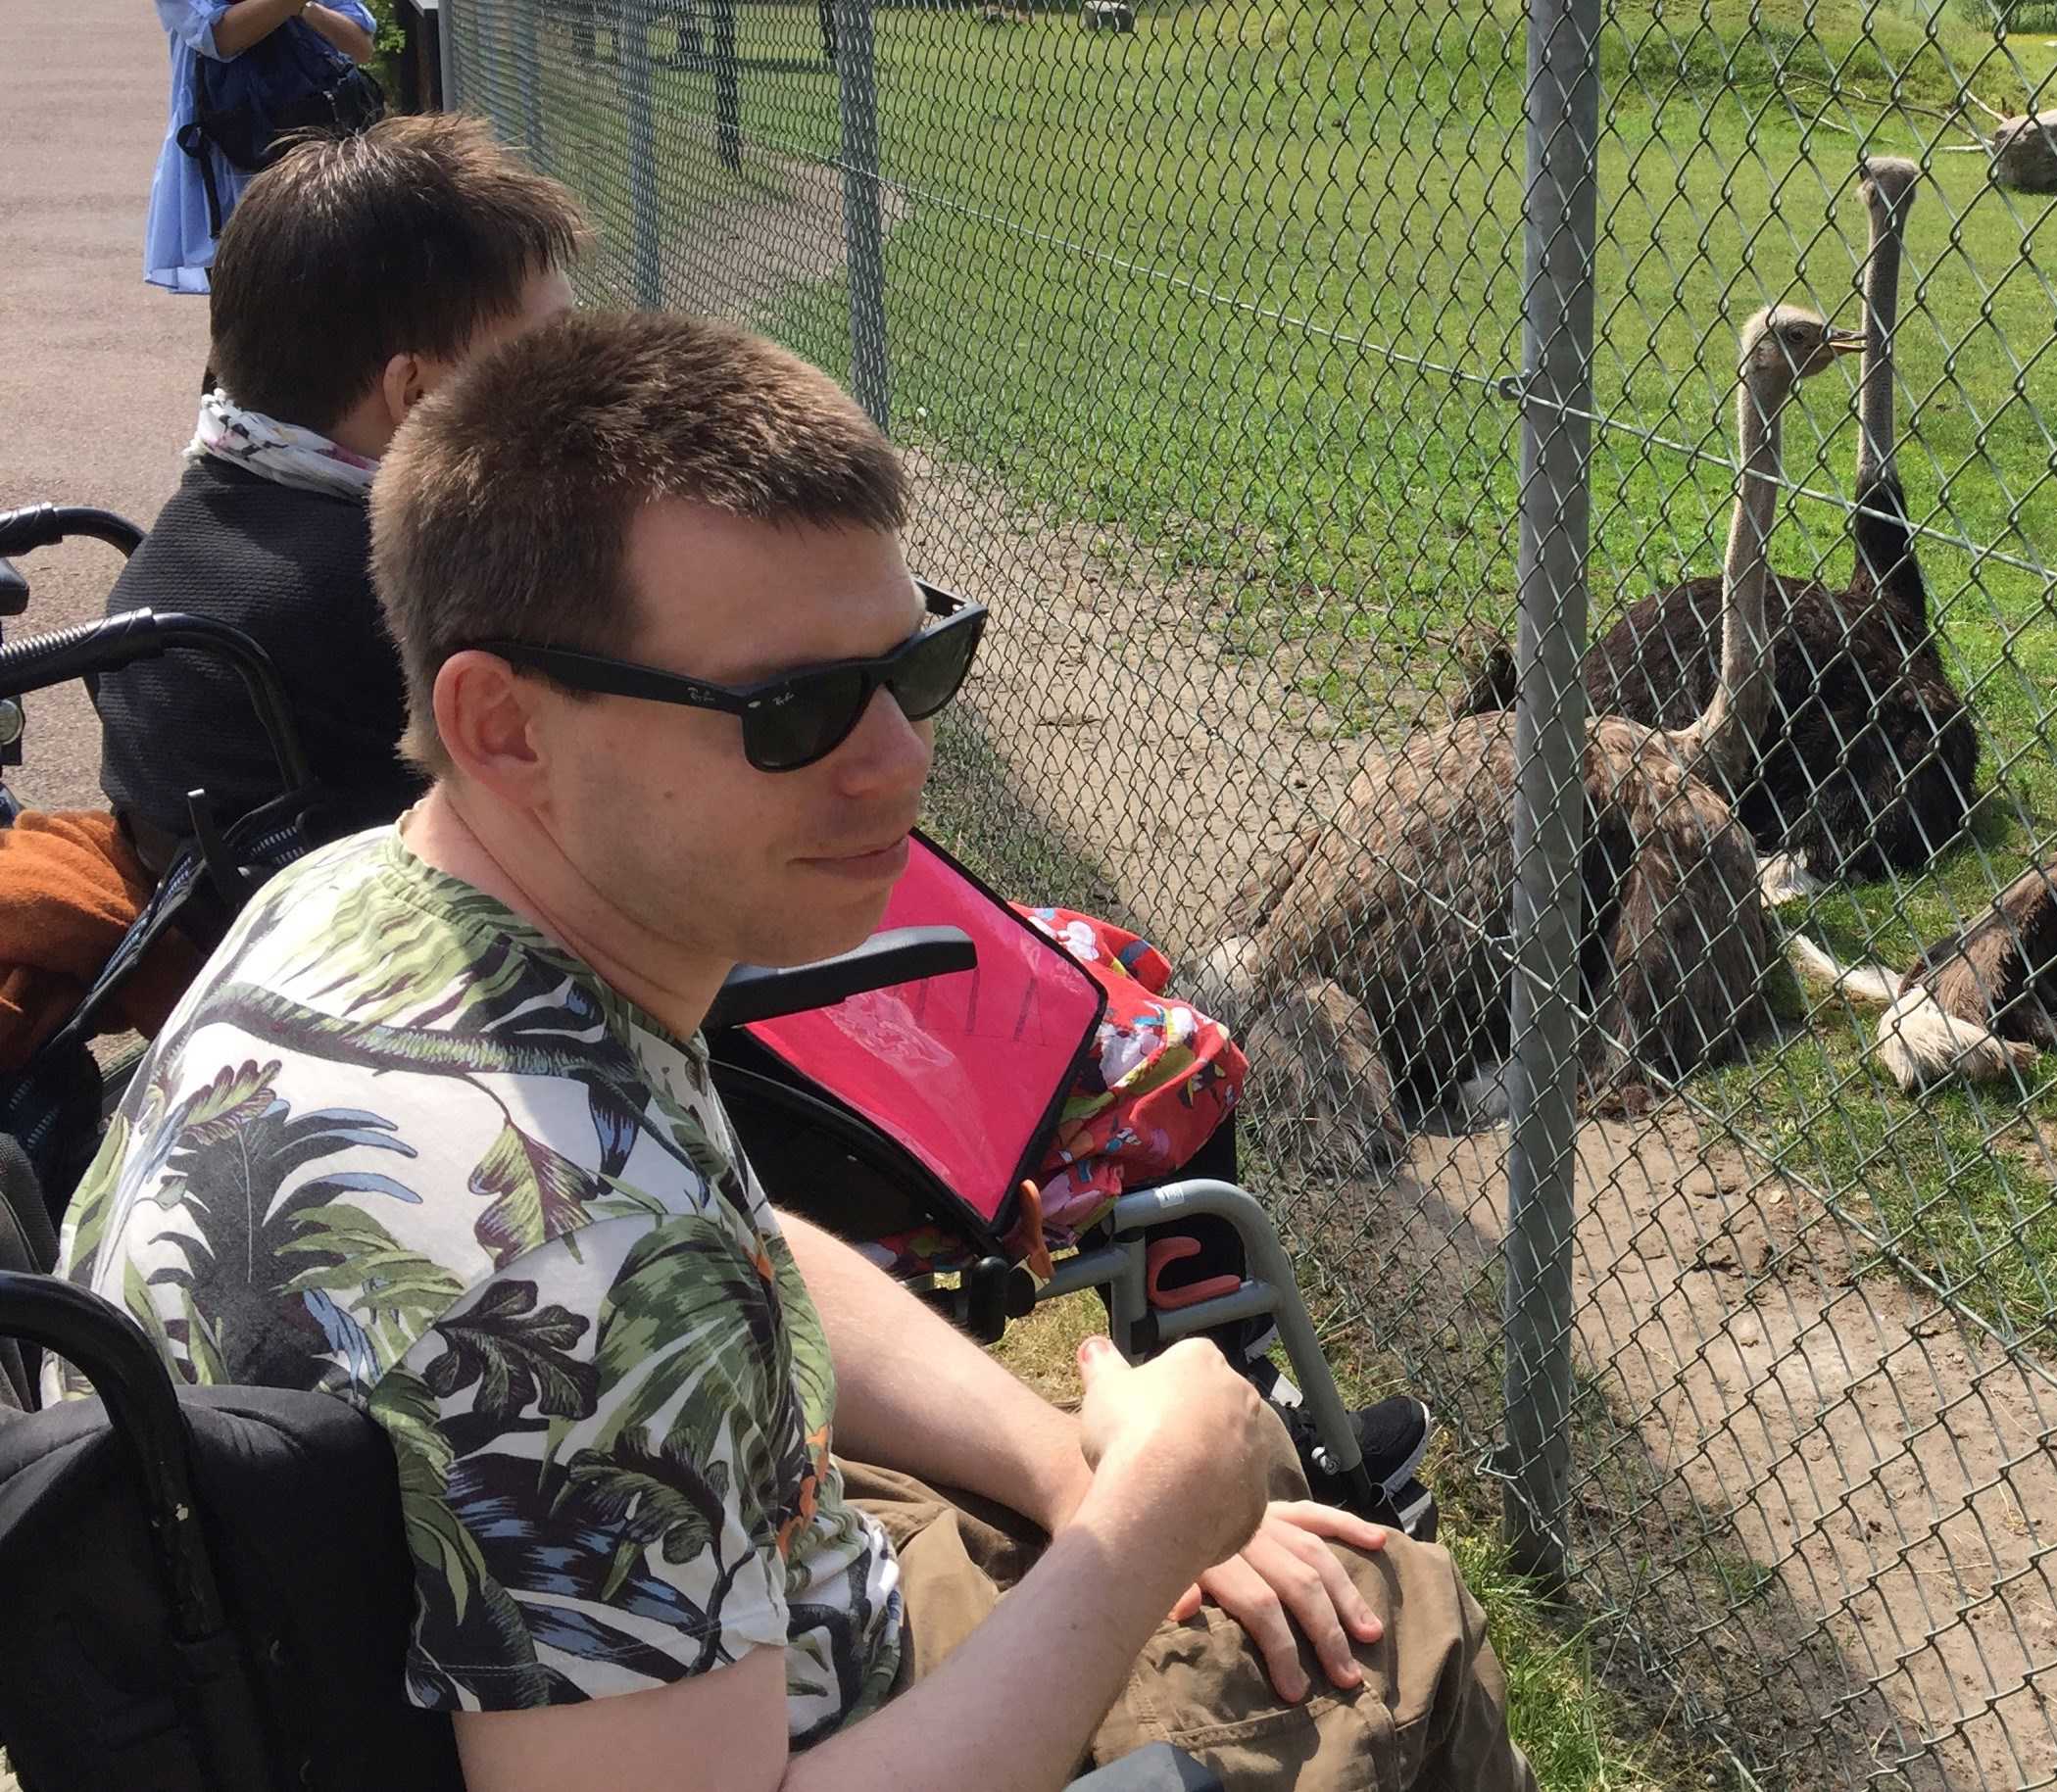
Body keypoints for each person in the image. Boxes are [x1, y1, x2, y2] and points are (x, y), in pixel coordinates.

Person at [47, 309, 1533, 1791]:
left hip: (668, 1648)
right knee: (1403, 1628)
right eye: (794, 709)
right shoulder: (596, 1263)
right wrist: (1148, 1522)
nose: (898, 755)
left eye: (917, 663)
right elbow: (647, 1283)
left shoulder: (365, 908)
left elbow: (736, 1244)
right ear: (503, 725)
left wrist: (1071, 1466)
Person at [98, 112, 584, 882]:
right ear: (417, 393)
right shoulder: (409, 602)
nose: (583, 382)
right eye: (551, 353)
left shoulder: (199, 528)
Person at [149, 0, 382, 293]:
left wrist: (308, 9)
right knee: (249, 305)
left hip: (318, 158)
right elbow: (218, 37)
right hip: (231, 158)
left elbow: (360, 45)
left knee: (331, 300)